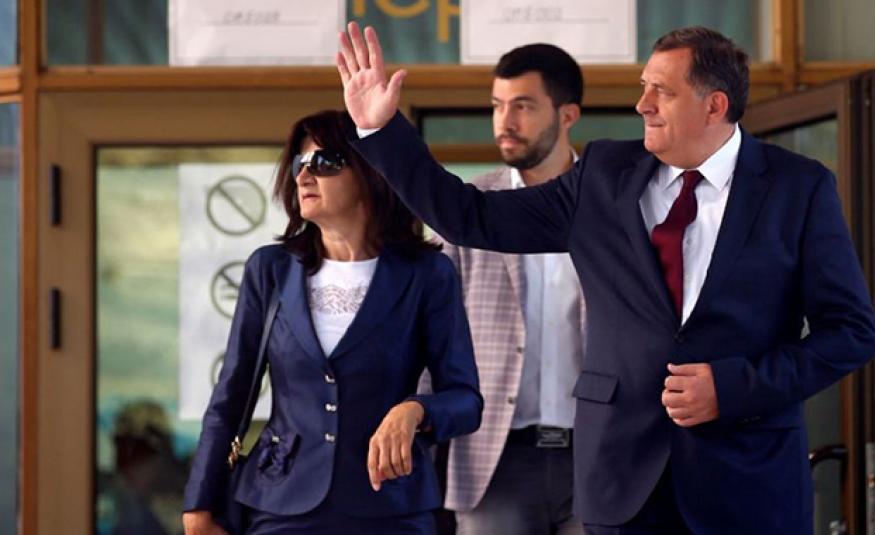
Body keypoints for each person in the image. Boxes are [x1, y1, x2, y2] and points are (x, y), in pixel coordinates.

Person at [336, 23, 875, 534]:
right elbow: (468, 216)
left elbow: (849, 332)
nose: (643, 105)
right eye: (643, 87)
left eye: (661, 91)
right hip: (621, 481)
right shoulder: (602, 175)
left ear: (714, 105)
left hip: (749, 481)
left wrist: (734, 387)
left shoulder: (798, 187)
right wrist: (381, 130)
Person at [181, 109, 483, 535]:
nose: (304, 176)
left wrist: (415, 410)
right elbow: (230, 394)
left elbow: (466, 400)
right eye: (299, 164)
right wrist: (199, 503)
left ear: (371, 172)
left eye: (324, 162)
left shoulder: (428, 274)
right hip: (281, 507)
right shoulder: (270, 269)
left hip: (391, 506)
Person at [421, 43, 586, 535]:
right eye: (497, 105)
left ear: (568, 114)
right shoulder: (468, 210)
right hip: (492, 461)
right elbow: (429, 336)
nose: (504, 122)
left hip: (597, 457)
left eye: (523, 106)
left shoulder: (612, 206)